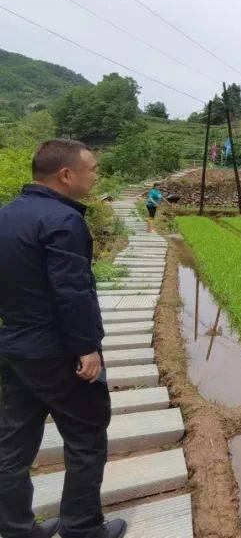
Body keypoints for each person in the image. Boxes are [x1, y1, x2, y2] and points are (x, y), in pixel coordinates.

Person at [0, 140, 127, 538]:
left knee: (13, 446)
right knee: (86, 438)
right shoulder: (63, 221)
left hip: (14, 347)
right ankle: (83, 528)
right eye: (91, 169)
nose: (95, 176)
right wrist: (87, 348)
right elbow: (71, 291)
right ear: (66, 175)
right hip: (58, 352)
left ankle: (16, 529)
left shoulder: (6, 215)